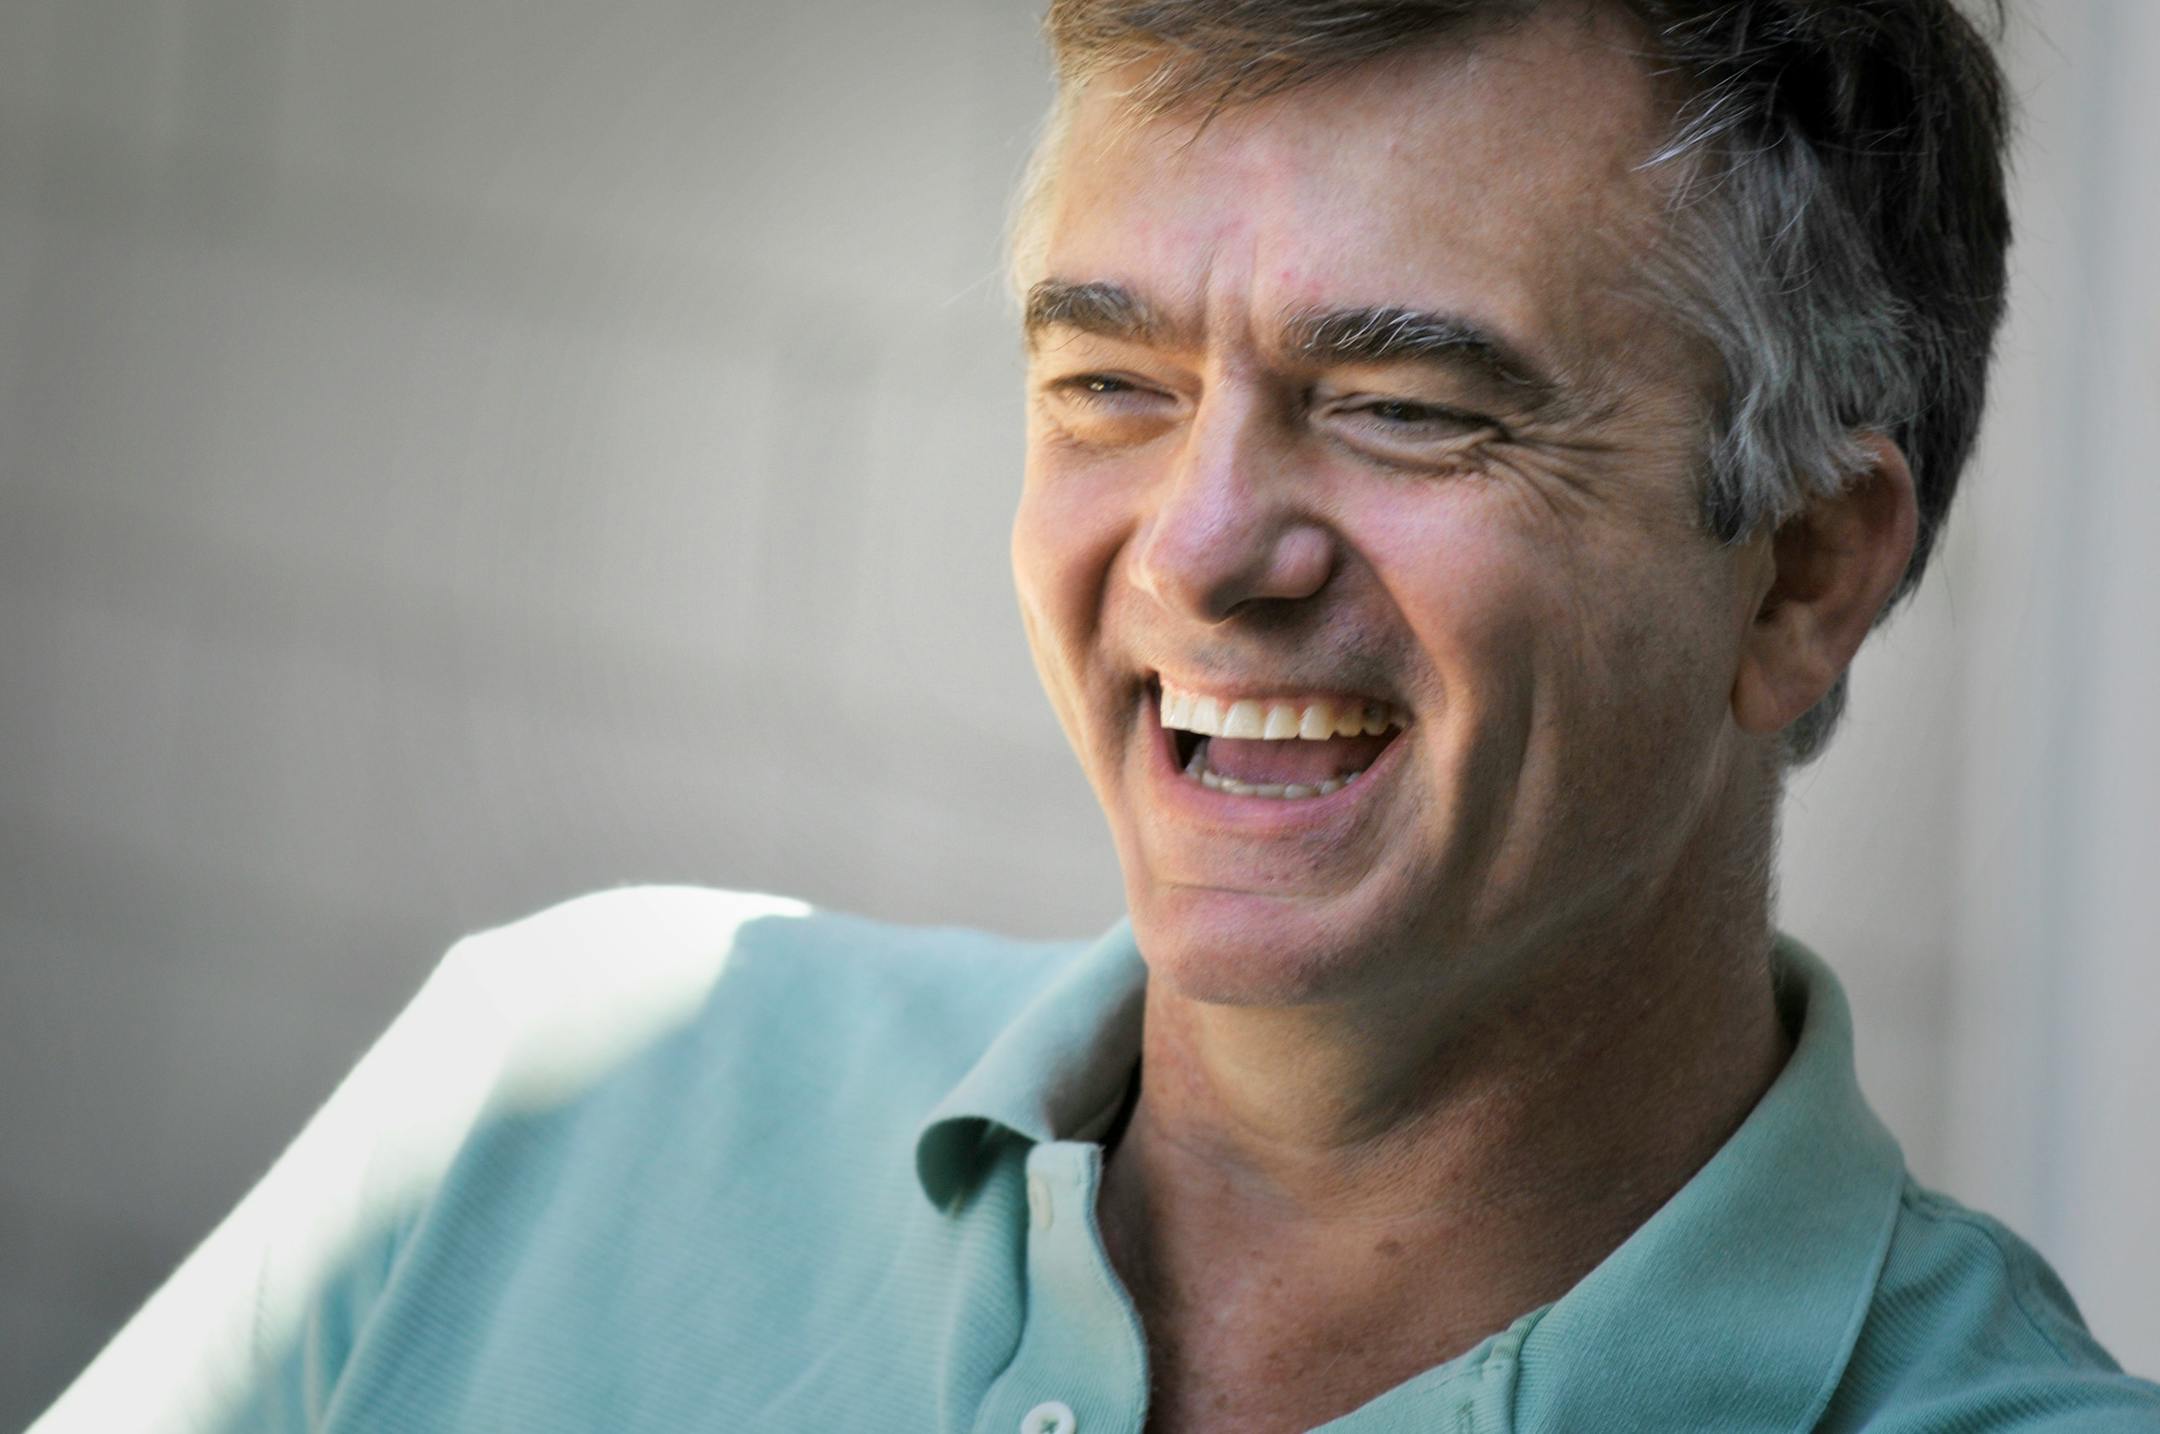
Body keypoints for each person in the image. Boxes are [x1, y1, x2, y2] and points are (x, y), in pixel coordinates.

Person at [33, 2, 2160, 1431]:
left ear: (1802, 572)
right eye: (1108, 386)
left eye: (1407, 407)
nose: (1205, 543)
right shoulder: (553, 1099)